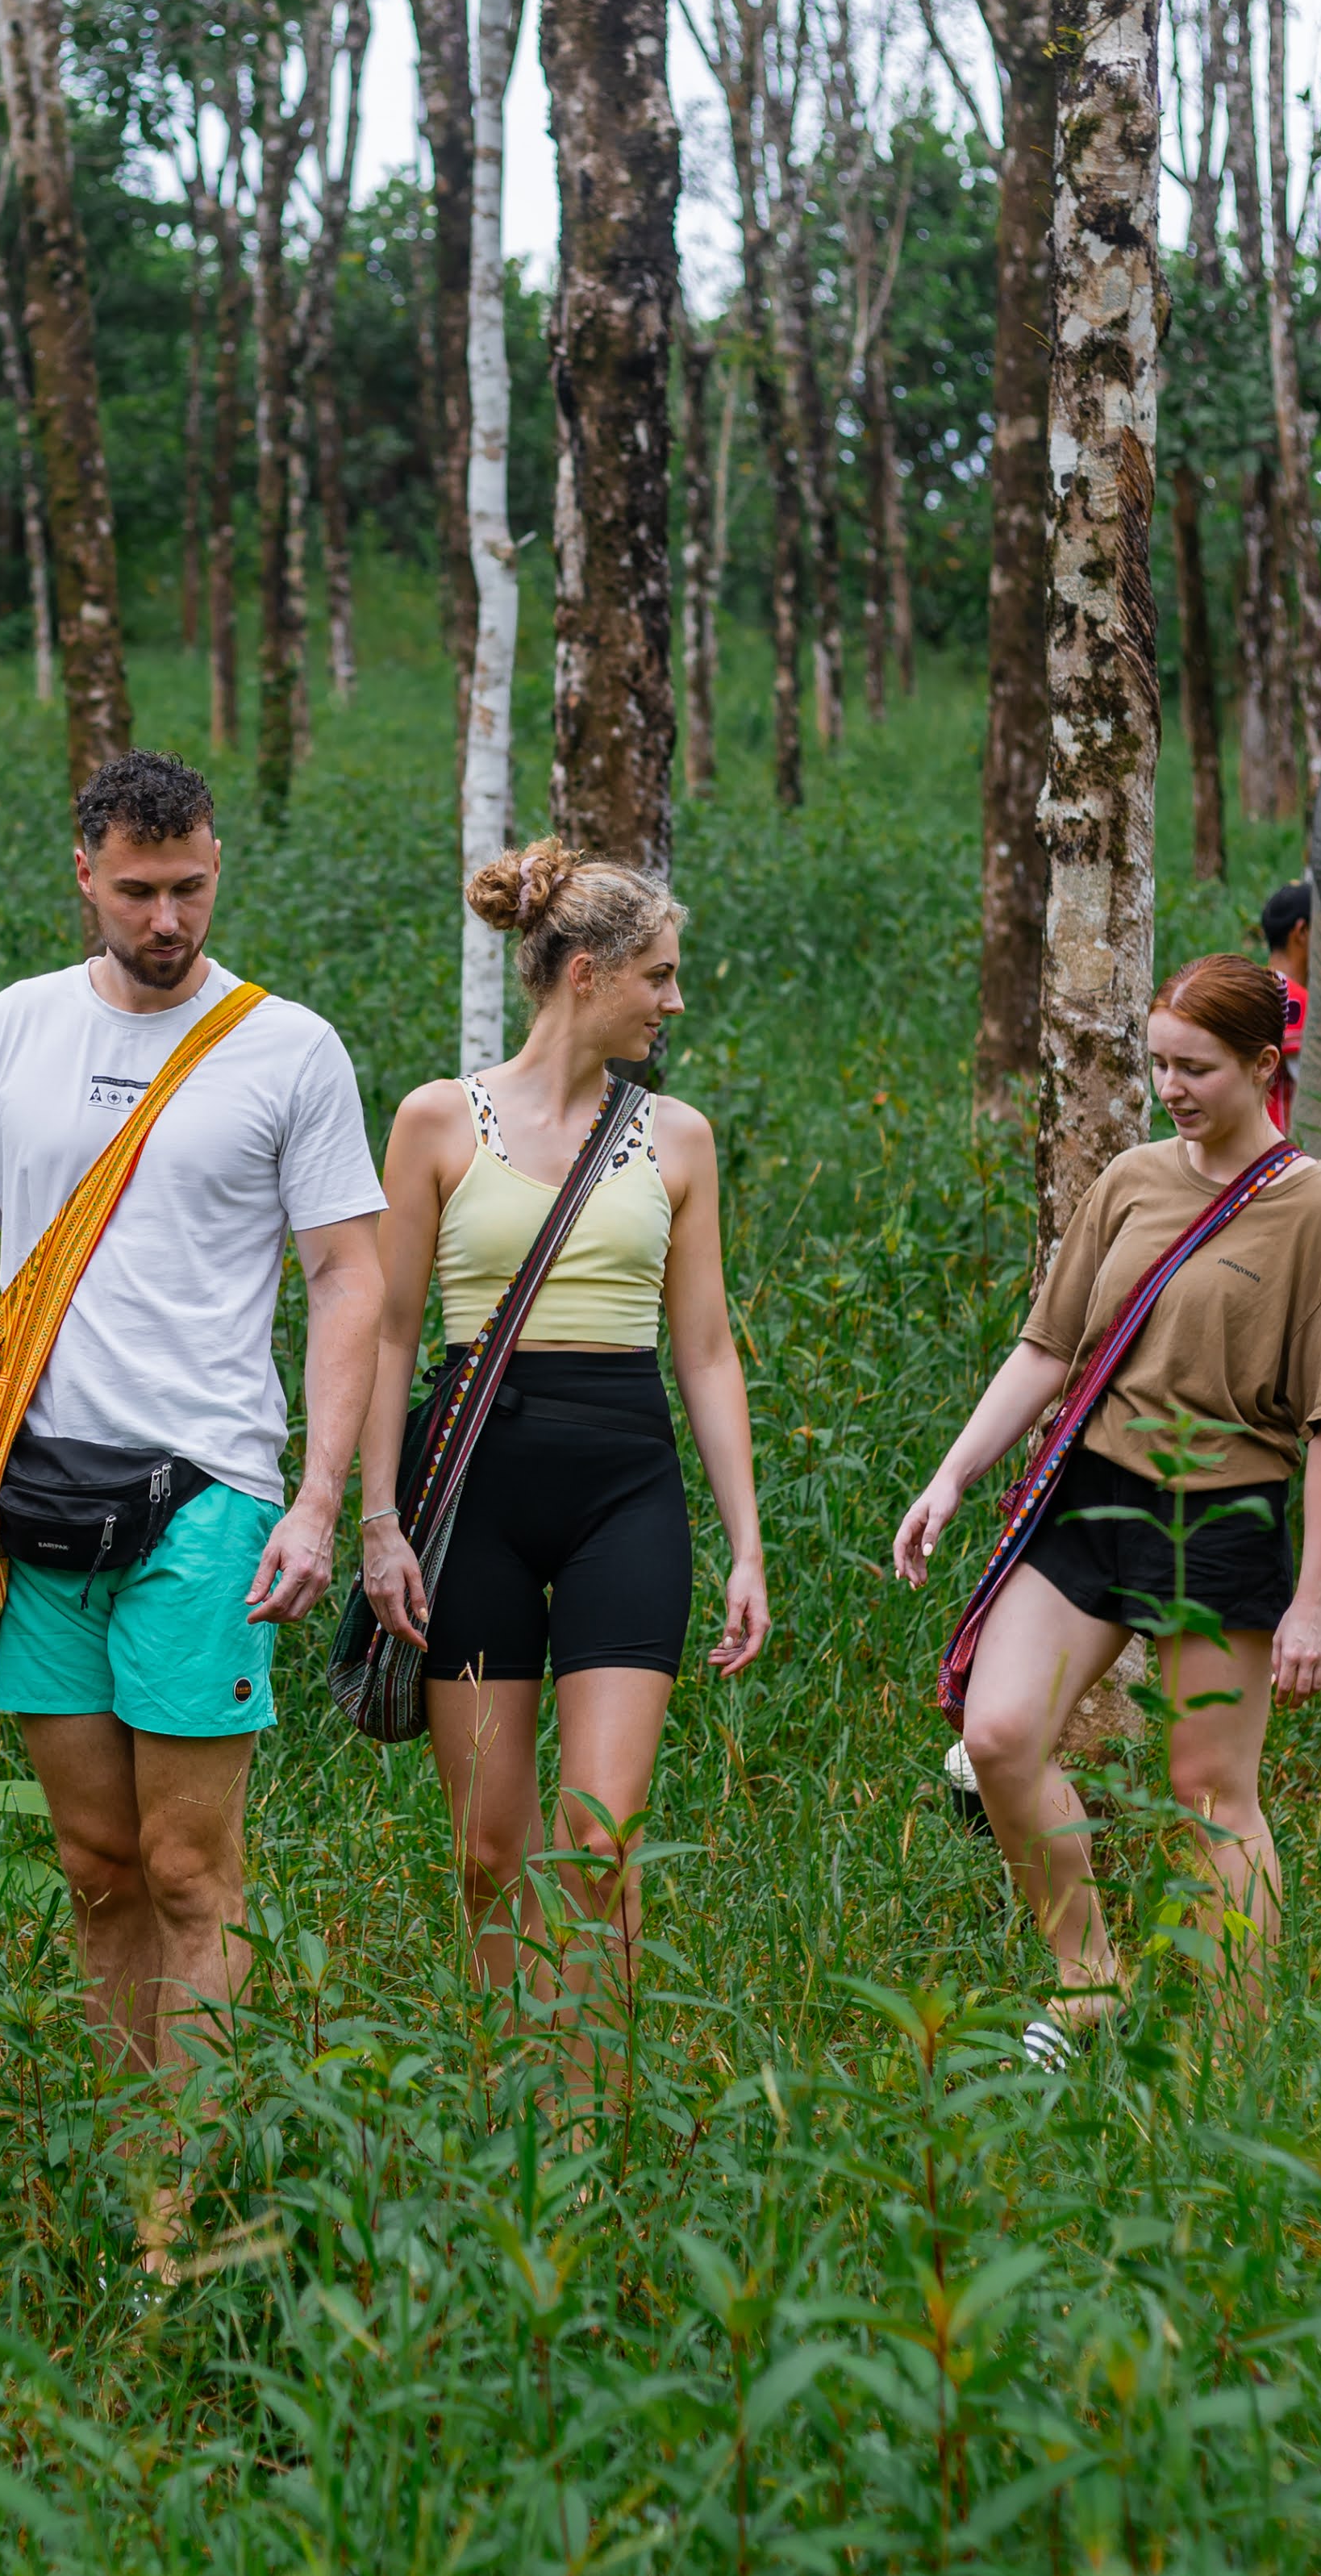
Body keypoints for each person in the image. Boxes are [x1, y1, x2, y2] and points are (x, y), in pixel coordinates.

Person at [0, 751, 386, 2118]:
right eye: (141, 890)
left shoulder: (288, 1047)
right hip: (36, 1495)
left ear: (216, 867)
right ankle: (124, 2159)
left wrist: (318, 1499)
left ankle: (191, 2188)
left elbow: (346, 1275)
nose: (168, 919)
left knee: (185, 1869)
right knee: (95, 1863)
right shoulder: (10, 1030)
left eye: (192, 887)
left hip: (209, 1491)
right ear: (84, 877)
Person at [889, 956, 1321, 2062]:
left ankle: (1230, 2048)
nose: (1171, 1086)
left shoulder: (1316, 1211)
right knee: (1000, 1730)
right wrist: (952, 1474)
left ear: (1262, 1065)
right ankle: (1086, 1981)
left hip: (1222, 1512)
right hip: (1096, 1492)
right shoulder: (1130, 1178)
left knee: (1210, 1791)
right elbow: (1046, 1346)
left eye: (1195, 1067)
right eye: (1158, 1062)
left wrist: (1315, 1599)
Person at [356, 841, 767, 2067]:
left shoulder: (676, 1139)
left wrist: (746, 1543)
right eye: (659, 975)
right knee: (489, 1850)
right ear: (584, 975)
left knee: (595, 1839)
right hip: (468, 1487)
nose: (674, 1000)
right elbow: (383, 1331)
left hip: (621, 1491)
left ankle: (595, 2097)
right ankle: (506, 2092)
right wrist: (377, 1521)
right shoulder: (436, 1120)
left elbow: (704, 1350)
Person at [1259, 878, 1312, 1134]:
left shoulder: (1251, 986)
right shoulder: (1295, 1001)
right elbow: (1313, 1088)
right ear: (1302, 932)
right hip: (1283, 1150)